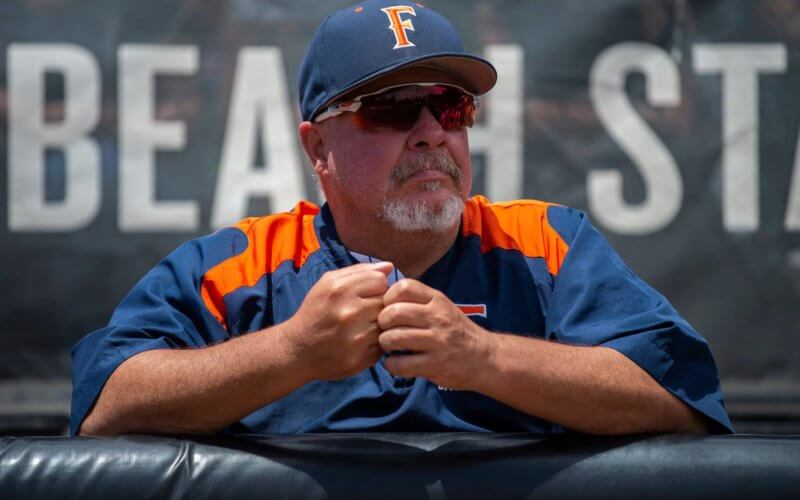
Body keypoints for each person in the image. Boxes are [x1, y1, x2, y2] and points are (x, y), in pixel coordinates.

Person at [71, 0, 733, 436]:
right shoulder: (242, 266)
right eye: (391, 109)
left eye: (450, 108)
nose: (429, 134)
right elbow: (104, 411)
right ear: (317, 147)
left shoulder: (546, 244)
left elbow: (684, 407)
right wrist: (292, 352)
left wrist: (483, 357)